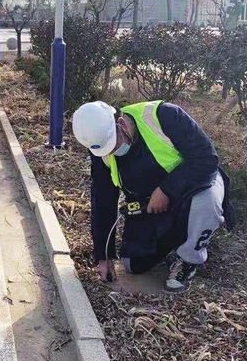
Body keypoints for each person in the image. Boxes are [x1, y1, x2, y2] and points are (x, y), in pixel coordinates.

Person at [72, 100, 235, 292]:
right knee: (134, 264)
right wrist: (103, 254)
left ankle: (189, 258)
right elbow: (103, 201)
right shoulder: (101, 151)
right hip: (152, 203)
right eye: (107, 150)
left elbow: (207, 159)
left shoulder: (164, 116)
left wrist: (166, 189)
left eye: (114, 145)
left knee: (206, 204)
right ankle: (183, 232)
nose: (113, 153)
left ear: (121, 124)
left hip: (196, 184)